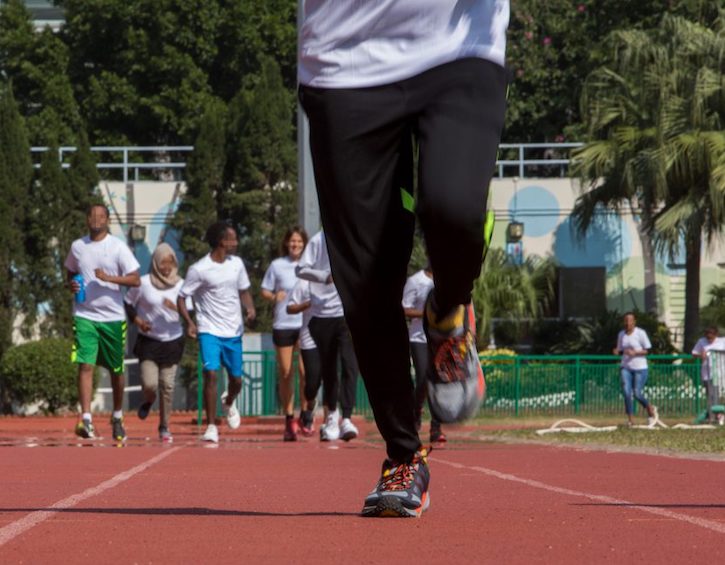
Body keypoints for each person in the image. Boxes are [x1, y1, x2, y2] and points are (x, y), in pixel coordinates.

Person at [298, 2, 508, 517]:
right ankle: (402, 455)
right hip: (343, 58)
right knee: (366, 278)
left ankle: (449, 312)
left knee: (453, 208)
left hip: (460, 45)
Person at [64, 203, 141, 441]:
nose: (96, 219)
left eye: (101, 216)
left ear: (107, 220)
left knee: (116, 370)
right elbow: (70, 272)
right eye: (92, 215)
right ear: (87, 219)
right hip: (85, 315)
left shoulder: (118, 247)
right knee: (85, 365)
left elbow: (136, 280)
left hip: (113, 318)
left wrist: (109, 278)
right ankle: (86, 419)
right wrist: (72, 284)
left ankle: (117, 416)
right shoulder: (78, 246)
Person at [177, 222, 256, 444]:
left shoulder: (237, 264)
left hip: (233, 331)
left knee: (237, 380)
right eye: (232, 238)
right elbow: (182, 297)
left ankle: (229, 400)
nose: (236, 242)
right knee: (210, 374)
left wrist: (249, 308)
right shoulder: (199, 269)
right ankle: (211, 426)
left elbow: (244, 291)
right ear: (221, 241)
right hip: (209, 329)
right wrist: (190, 323)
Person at [296, 231, 359, 442]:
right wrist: (325, 277)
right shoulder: (317, 240)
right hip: (322, 316)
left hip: (347, 313)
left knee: (350, 365)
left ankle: (347, 418)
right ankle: (332, 415)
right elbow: (300, 269)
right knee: (329, 369)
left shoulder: (354, 235)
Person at [124, 243, 185, 443]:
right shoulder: (143, 283)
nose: (166, 266)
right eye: (162, 262)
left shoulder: (181, 285)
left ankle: (164, 426)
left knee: (167, 386)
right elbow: (128, 303)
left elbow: (190, 311)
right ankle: (148, 401)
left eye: (170, 262)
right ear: (156, 263)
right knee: (150, 383)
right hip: (149, 342)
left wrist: (176, 307)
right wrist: (138, 321)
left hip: (172, 341)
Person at [261, 227, 308, 441]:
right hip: (283, 323)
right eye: (292, 241)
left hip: (306, 323)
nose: (295, 245)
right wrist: (273, 296)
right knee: (286, 373)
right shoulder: (277, 266)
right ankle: (290, 419)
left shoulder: (310, 265)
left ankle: (306, 415)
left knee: (306, 372)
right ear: (286, 244)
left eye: (299, 241)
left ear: (304, 244)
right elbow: (264, 290)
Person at [402, 266, 446, 444]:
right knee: (423, 379)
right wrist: (427, 314)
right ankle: (416, 409)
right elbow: (404, 309)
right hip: (419, 338)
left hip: (440, 338)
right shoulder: (416, 280)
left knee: (439, 383)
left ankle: (436, 428)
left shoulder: (447, 280)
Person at [286, 278, 321, 437]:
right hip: (289, 328)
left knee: (308, 375)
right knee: (288, 373)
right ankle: (290, 418)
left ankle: (314, 415)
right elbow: (289, 307)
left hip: (325, 331)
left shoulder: (333, 277)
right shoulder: (302, 280)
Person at [613, 312, 657, 427]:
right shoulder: (621, 334)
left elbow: (647, 350)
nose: (628, 323)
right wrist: (616, 351)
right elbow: (620, 349)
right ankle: (631, 419)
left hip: (640, 368)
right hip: (626, 367)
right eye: (626, 320)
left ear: (634, 322)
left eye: (630, 320)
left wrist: (635, 352)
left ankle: (648, 407)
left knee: (637, 393)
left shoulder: (640, 333)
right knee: (627, 392)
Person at [692, 326, 725, 423]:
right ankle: (715, 415)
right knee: (710, 394)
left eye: (711, 337)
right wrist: (701, 355)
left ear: (716, 335)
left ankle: (714, 415)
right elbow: (694, 353)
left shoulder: (722, 341)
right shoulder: (702, 341)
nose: (709, 339)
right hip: (706, 372)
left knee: (714, 394)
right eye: (707, 337)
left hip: (719, 372)